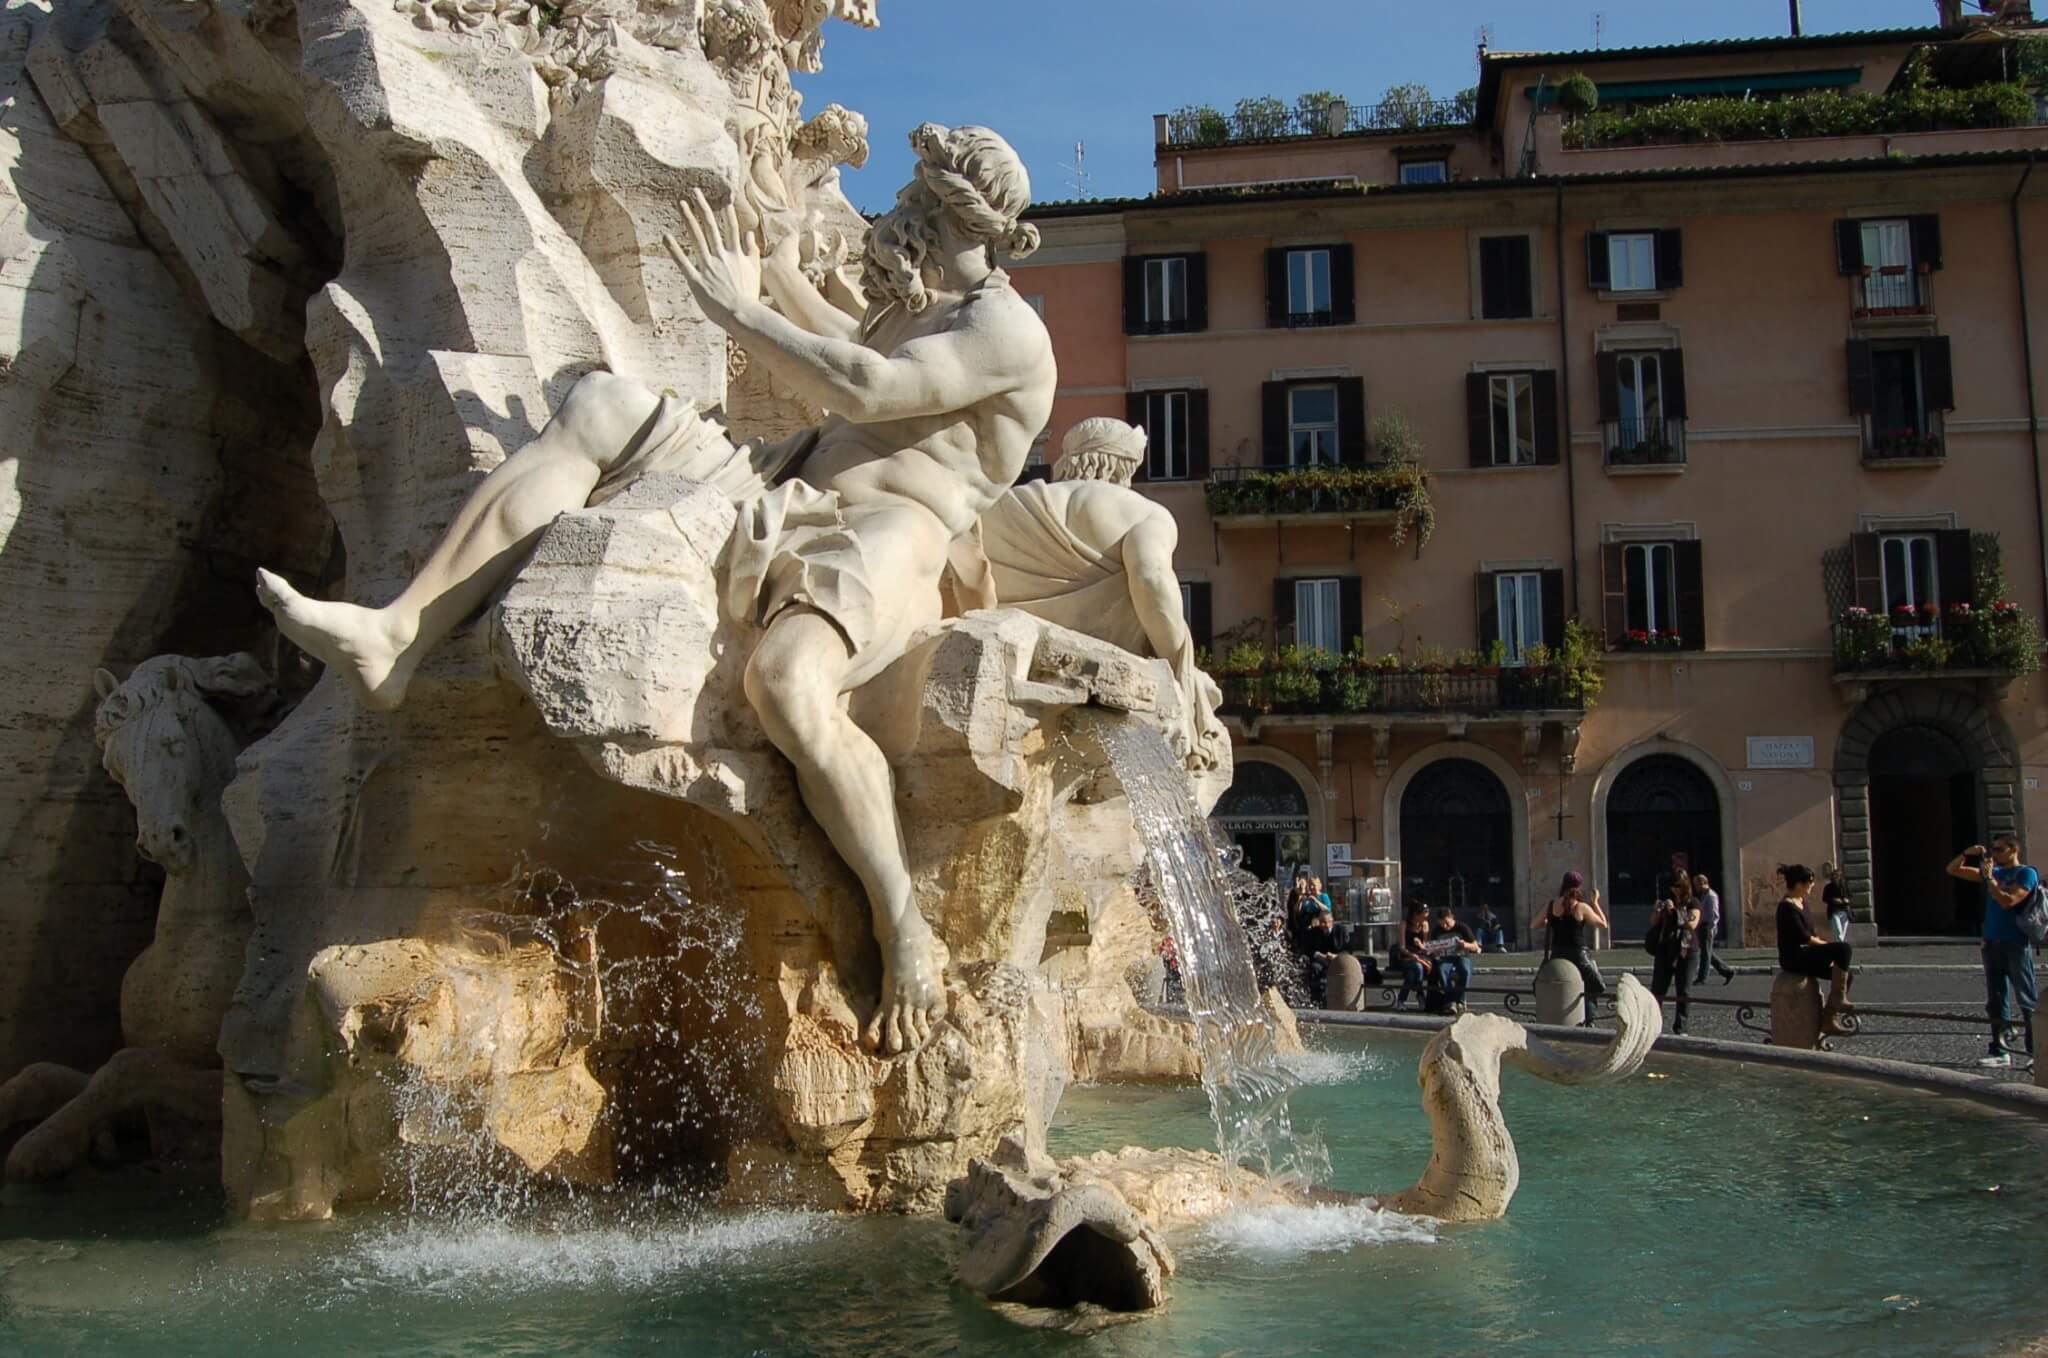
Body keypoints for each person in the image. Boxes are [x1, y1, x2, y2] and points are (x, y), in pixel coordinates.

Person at [253, 124, 1055, 1056]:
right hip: (781, 486)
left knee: (789, 686)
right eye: (912, 194)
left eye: (924, 199)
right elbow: (838, 338)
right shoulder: (923, 306)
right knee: (599, 408)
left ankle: (901, 921)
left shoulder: (1003, 330)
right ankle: (399, 635)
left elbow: (868, 387)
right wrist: (772, 247)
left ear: (968, 218)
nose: (904, 213)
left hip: (893, 538)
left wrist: (735, 309)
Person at [1946, 836, 2038, 1069]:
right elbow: (1953, 869)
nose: (1994, 853)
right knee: (1996, 1000)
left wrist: (1990, 879)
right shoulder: (1993, 871)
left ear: (2013, 849)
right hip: (1992, 942)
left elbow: (2009, 901)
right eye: (1993, 849)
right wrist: (1967, 852)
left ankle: (2037, 1052)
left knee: (2027, 1000)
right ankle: (2000, 1050)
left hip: (2016, 943)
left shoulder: (2026, 874)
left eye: (1999, 849)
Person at [1776, 863, 1856, 1035]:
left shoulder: (1802, 903)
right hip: (1794, 957)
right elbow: (1804, 937)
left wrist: (1827, 949)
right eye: (1809, 882)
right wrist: (1828, 948)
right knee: (1844, 949)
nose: (1812, 885)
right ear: (1798, 884)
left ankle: (1829, 1018)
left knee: (1847, 975)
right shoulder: (1786, 907)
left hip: (1807, 953)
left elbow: (1812, 933)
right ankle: (1839, 998)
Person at [1533, 871, 1609, 1026]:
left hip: (1557, 953)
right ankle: (1589, 1020)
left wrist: (1551, 921)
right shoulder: (1581, 907)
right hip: (1578, 953)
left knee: (1553, 983)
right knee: (1592, 986)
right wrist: (1595, 902)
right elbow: (1603, 924)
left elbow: (1533, 924)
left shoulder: (1552, 905)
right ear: (1579, 888)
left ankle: (1553, 1017)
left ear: (1563, 885)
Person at [1646, 888, 1698, 1034]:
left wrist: (1674, 910)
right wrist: (1658, 911)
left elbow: (1691, 925)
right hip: (1664, 949)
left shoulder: (1693, 903)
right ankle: (1653, 1024)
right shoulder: (1663, 903)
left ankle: (1681, 1028)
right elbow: (1654, 922)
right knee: (1658, 989)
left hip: (1685, 949)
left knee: (1684, 990)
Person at [1429, 905, 1481, 1013]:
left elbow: (1476, 946)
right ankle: (1450, 1000)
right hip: (1445, 958)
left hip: (1461, 956)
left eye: (1446, 922)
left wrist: (1465, 945)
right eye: (1441, 923)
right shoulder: (1437, 931)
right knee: (1442, 970)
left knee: (1465, 970)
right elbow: (1432, 947)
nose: (1444, 926)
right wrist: (1434, 952)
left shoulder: (1462, 927)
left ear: (1452, 917)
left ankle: (1460, 1000)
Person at [1692, 872, 1735, 985]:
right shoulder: (1703, 895)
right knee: (1707, 952)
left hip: (1707, 927)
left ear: (1703, 883)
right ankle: (1727, 971)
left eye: (1696, 884)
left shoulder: (1711, 896)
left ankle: (1702, 978)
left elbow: (1715, 914)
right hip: (1702, 926)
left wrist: (1712, 928)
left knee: (1705, 954)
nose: (1695, 887)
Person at [1390, 905, 1434, 1011]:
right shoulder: (1404, 924)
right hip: (1406, 956)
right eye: (1423, 916)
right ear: (1416, 914)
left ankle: (1401, 1000)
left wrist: (1421, 945)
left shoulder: (1425, 925)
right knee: (1416, 967)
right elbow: (1402, 947)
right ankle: (1420, 996)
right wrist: (1411, 955)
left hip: (1420, 956)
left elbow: (1426, 947)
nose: (1425, 919)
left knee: (1412, 972)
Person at [1821, 863, 1854, 944]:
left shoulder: (1845, 886)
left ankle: (1838, 947)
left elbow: (1851, 896)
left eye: (1838, 876)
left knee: (1843, 932)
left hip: (1845, 911)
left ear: (1840, 877)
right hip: (1834, 911)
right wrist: (1833, 900)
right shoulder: (1828, 887)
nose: (1836, 878)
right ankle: (1841, 947)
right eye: (1834, 876)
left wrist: (1847, 900)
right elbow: (1824, 898)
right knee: (1838, 931)